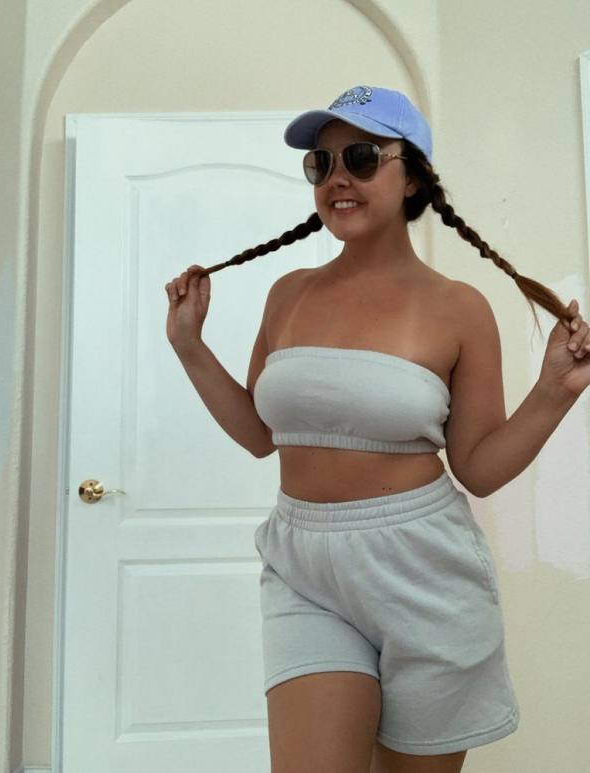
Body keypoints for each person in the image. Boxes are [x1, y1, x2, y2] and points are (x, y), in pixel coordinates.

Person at [164, 85, 590, 773]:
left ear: (412, 175)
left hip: (423, 570)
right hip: (303, 566)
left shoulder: (459, 308)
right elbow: (260, 433)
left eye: (361, 157)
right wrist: (190, 346)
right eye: (321, 162)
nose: (337, 177)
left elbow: (478, 467)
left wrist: (553, 392)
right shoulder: (288, 293)